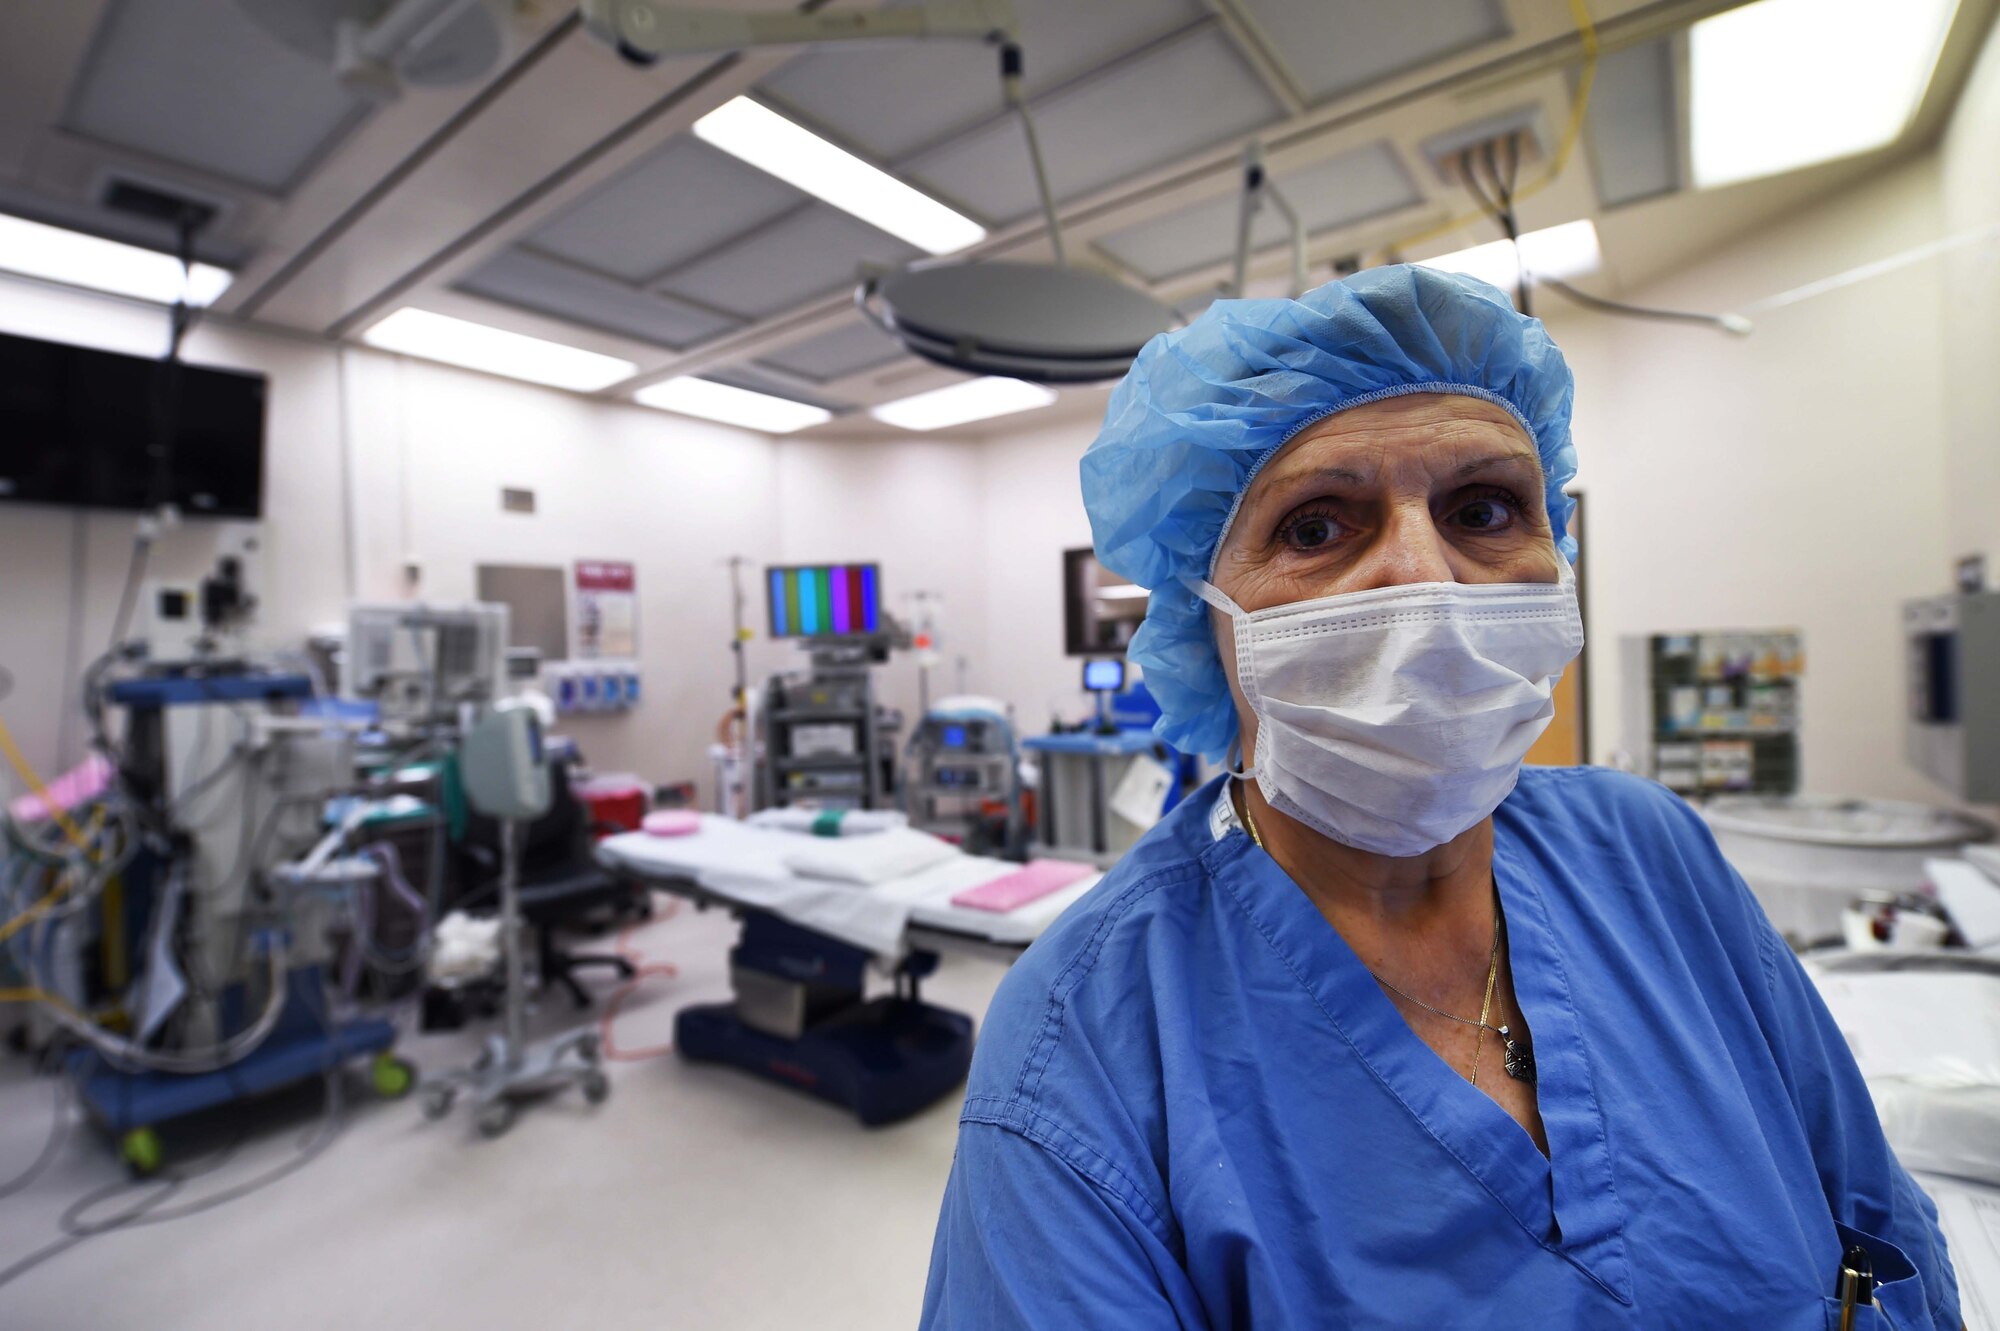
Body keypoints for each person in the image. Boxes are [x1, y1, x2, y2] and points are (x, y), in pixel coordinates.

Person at [920, 265, 1959, 1329]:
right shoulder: (1087, 1036)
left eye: (1482, 507)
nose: (1424, 575)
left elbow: (1879, 1224)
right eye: (1316, 526)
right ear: (1204, 617)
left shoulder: (1648, 854)